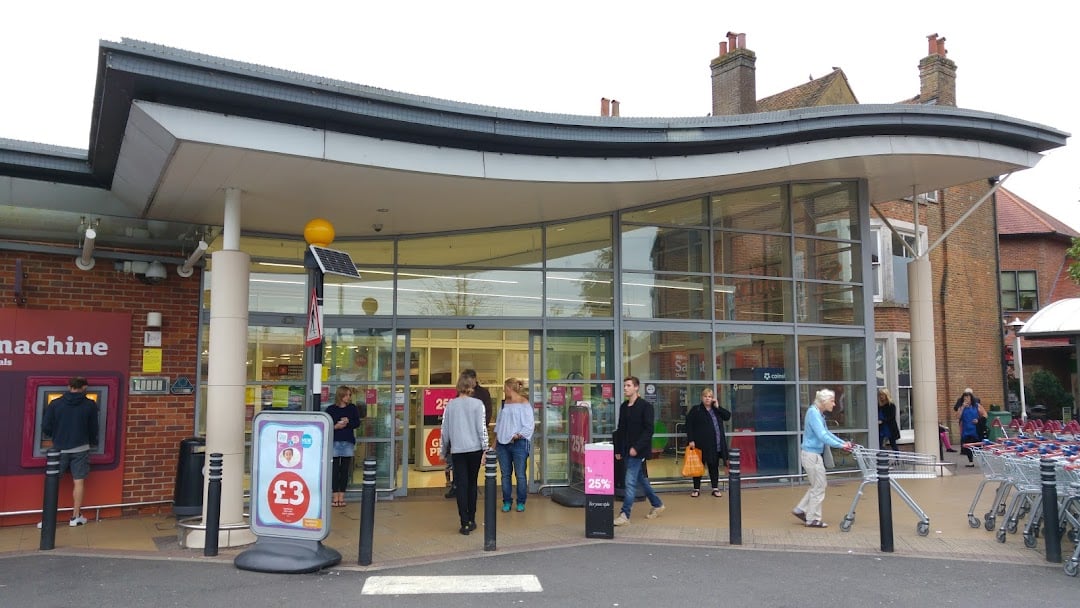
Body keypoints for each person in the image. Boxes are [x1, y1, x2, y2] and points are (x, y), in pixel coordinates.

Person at [41, 377, 99, 527]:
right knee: (78, 481)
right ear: (85, 387)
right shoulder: (90, 405)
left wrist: (57, 435)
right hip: (81, 448)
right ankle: (75, 517)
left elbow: (46, 426)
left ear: (69, 387)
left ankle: (47, 518)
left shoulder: (55, 404)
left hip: (58, 448)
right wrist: (92, 441)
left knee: (53, 482)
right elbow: (94, 428)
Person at [792, 388, 852, 528]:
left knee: (817, 485)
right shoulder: (813, 413)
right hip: (811, 455)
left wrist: (843, 443)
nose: (834, 404)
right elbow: (822, 436)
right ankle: (812, 518)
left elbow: (826, 433)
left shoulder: (817, 413)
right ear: (824, 402)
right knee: (819, 486)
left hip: (813, 454)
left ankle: (801, 509)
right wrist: (841, 446)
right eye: (832, 401)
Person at [441, 373, 489, 535]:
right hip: (474, 449)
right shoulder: (478, 405)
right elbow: (481, 429)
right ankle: (472, 518)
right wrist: (485, 449)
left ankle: (464, 522)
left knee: (461, 485)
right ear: (471, 386)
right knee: (472, 484)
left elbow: (445, 431)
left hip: (458, 450)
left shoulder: (451, 406)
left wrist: (443, 451)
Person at [613, 376, 665, 526]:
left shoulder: (645, 406)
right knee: (641, 479)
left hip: (638, 451)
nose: (625, 388)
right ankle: (657, 504)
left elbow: (649, 430)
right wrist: (618, 448)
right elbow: (621, 429)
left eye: (628, 385)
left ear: (636, 387)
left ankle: (624, 514)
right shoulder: (624, 407)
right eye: (624, 385)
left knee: (629, 482)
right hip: (626, 450)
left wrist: (637, 447)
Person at [494, 377, 534, 512]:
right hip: (502, 444)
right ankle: (507, 501)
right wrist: (493, 445)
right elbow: (499, 426)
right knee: (505, 474)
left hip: (519, 444)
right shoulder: (504, 404)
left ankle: (521, 501)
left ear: (510, 388)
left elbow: (529, 426)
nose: (504, 391)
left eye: (505, 388)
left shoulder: (524, 403)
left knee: (520, 474)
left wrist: (517, 435)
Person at [684, 387, 730, 498]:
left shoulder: (716, 410)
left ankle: (715, 488)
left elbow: (727, 416)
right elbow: (688, 425)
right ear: (702, 397)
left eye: (710, 397)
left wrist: (718, 407)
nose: (707, 399)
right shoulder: (696, 410)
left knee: (713, 466)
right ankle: (696, 488)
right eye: (705, 396)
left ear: (713, 398)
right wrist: (691, 440)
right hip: (700, 444)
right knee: (698, 467)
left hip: (715, 445)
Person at [326, 385, 362, 507]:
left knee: (345, 469)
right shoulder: (331, 409)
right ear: (340, 396)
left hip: (347, 441)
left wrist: (348, 422)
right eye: (346, 395)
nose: (348, 397)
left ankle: (342, 496)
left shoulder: (352, 408)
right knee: (335, 469)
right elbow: (327, 425)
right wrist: (336, 426)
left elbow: (357, 423)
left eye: (349, 395)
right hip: (335, 441)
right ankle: (335, 495)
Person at [958, 392, 984, 467]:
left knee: (977, 446)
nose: (966, 399)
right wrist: (962, 407)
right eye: (965, 398)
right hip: (966, 429)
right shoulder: (961, 407)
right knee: (967, 446)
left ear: (971, 398)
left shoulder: (976, 406)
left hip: (975, 429)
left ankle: (982, 460)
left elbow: (985, 415)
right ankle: (971, 461)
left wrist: (978, 420)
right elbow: (958, 416)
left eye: (968, 398)